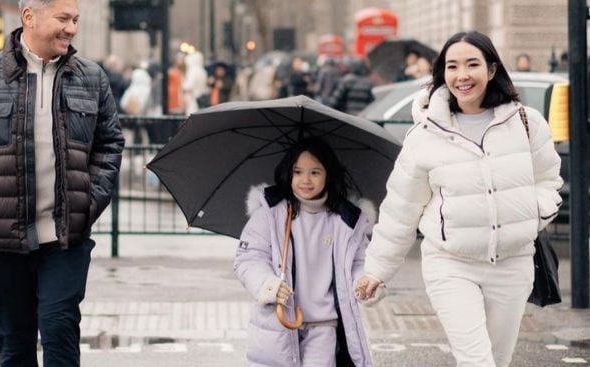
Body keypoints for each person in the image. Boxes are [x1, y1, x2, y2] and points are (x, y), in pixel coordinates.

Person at [357, 31, 562, 367]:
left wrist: (533, 215)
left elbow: (548, 180)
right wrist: (377, 269)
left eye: (472, 64)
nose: (462, 75)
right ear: (442, 74)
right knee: (476, 361)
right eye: (452, 66)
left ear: (492, 70)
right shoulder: (424, 136)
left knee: (497, 358)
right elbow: (400, 209)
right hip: (450, 264)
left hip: (513, 264)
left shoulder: (527, 123)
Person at [0, 0, 125, 366]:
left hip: (66, 240)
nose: (71, 28)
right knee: (15, 347)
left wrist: (91, 200)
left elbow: (109, 143)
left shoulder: (91, 77)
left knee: (59, 334)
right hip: (3, 243)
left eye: (75, 20)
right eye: (63, 18)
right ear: (30, 17)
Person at [234, 137, 376, 366]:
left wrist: (364, 281)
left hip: (323, 326)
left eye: (315, 172)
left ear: (328, 174)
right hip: (277, 322)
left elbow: (359, 262)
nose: (305, 180)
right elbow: (249, 258)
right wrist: (266, 284)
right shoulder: (270, 213)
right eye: (298, 172)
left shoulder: (347, 220)